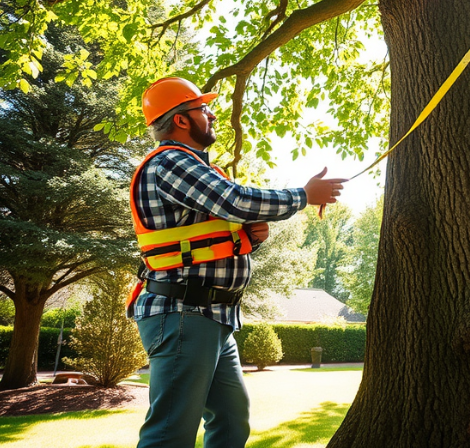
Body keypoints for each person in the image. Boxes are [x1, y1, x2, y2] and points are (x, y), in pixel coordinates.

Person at [127, 76, 345, 448]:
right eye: (203, 108)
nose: (211, 115)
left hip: (212, 315)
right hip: (183, 312)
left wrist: (247, 239)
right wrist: (303, 195)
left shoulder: (192, 167)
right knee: (170, 433)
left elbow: (203, 239)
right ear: (181, 119)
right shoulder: (172, 161)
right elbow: (235, 200)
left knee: (230, 423)